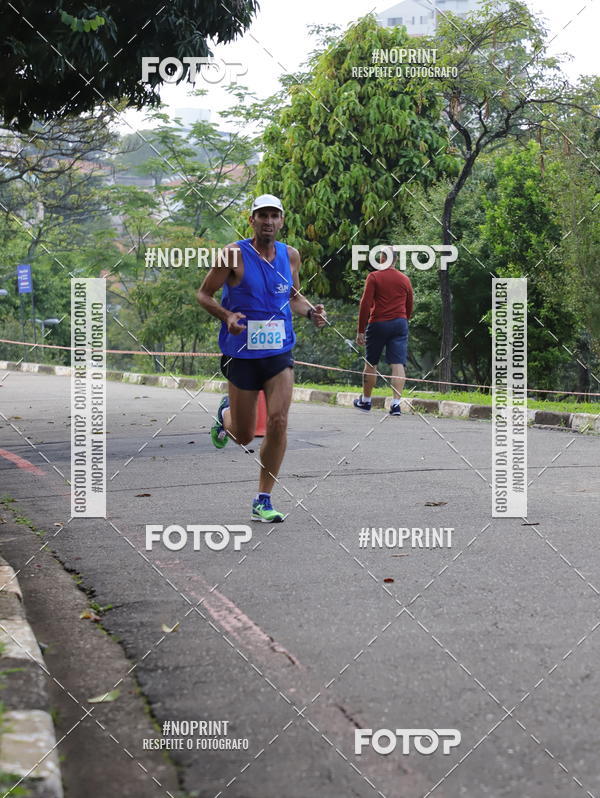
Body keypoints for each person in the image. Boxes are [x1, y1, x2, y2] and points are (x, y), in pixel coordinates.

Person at [197, 194, 326, 522]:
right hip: (240, 353)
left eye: (274, 215)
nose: (268, 221)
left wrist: (310, 312)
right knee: (242, 435)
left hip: (279, 351)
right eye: (262, 215)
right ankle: (225, 415)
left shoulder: (291, 256)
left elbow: (293, 297)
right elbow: (203, 294)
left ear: (282, 221)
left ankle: (263, 498)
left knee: (278, 422)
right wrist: (226, 315)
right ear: (252, 220)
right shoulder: (232, 254)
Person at [354, 246, 413, 415]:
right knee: (398, 363)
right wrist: (403, 319)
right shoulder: (405, 279)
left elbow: (365, 304)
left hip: (378, 323)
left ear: (381, 259)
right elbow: (410, 305)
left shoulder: (374, 277)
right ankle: (395, 404)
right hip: (400, 323)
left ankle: (366, 401)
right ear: (395, 260)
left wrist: (361, 330)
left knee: (371, 362)